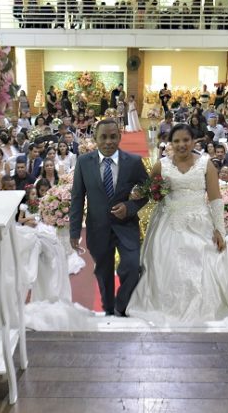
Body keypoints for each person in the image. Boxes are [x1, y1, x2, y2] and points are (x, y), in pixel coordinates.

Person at [127, 123, 228, 322]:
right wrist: (138, 193)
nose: (182, 145)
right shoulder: (161, 165)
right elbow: (147, 190)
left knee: (202, 266)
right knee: (166, 266)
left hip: (200, 223)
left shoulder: (206, 164)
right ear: (170, 143)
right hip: (168, 223)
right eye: (176, 141)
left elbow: (215, 198)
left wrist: (219, 230)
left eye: (186, 140)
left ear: (194, 141)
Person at [69, 119, 150, 317]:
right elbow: (77, 197)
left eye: (113, 136)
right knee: (103, 272)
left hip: (126, 226)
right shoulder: (83, 162)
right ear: (95, 138)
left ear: (120, 137)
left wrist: (129, 207)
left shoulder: (133, 161)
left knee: (132, 267)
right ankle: (108, 310)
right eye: (103, 137)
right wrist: (74, 231)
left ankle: (121, 307)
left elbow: (147, 191)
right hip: (98, 228)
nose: (108, 142)